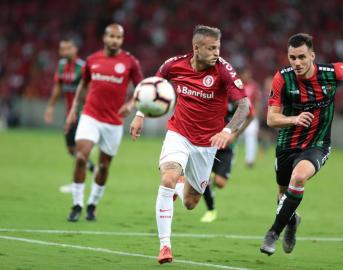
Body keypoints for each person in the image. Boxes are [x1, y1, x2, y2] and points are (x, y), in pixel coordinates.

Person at [129, 25, 249, 264]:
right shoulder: (174, 65)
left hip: (207, 145)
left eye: (218, 47)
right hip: (179, 134)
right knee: (167, 177)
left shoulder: (223, 70)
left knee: (191, 202)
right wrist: (140, 114)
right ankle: (165, 246)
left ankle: (179, 186)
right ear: (196, 48)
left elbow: (244, 105)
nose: (217, 52)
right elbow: (152, 85)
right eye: (212, 48)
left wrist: (227, 130)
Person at [260, 33, 343, 256]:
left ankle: (273, 233)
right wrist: (294, 119)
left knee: (299, 177)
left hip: (318, 144)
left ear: (312, 56)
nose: (297, 63)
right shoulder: (282, 78)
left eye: (301, 57)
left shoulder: (330, 74)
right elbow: (271, 119)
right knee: (283, 196)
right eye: (292, 57)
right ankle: (291, 221)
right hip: (286, 145)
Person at [64, 23, 144, 222]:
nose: (115, 40)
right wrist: (74, 110)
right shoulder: (92, 60)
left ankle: (92, 204)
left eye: (119, 37)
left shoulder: (130, 62)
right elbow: (83, 84)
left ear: (122, 40)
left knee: (104, 166)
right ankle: (76, 204)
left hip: (114, 121)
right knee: (81, 157)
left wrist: (131, 104)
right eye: (111, 36)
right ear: (104, 38)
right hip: (90, 116)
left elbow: (142, 88)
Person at [44, 39, 95, 193]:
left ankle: (75, 184)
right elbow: (58, 87)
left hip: (83, 113)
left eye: (67, 48)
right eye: (62, 49)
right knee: (70, 149)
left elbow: (91, 89)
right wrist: (50, 107)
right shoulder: (61, 66)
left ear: (75, 49)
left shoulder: (82, 67)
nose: (65, 52)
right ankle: (92, 167)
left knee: (79, 149)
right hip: (69, 113)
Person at [200, 99, 254, 223]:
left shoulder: (239, 98)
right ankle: (211, 210)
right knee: (204, 178)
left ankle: (209, 181)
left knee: (220, 183)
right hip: (209, 142)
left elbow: (251, 116)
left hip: (227, 146)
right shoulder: (213, 94)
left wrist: (236, 134)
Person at [240, 68, 261, 168]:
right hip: (238, 116)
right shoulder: (237, 85)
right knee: (232, 136)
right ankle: (230, 158)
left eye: (248, 74)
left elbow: (257, 101)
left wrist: (255, 114)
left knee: (251, 136)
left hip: (250, 116)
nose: (247, 76)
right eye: (245, 74)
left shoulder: (254, 85)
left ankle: (250, 160)